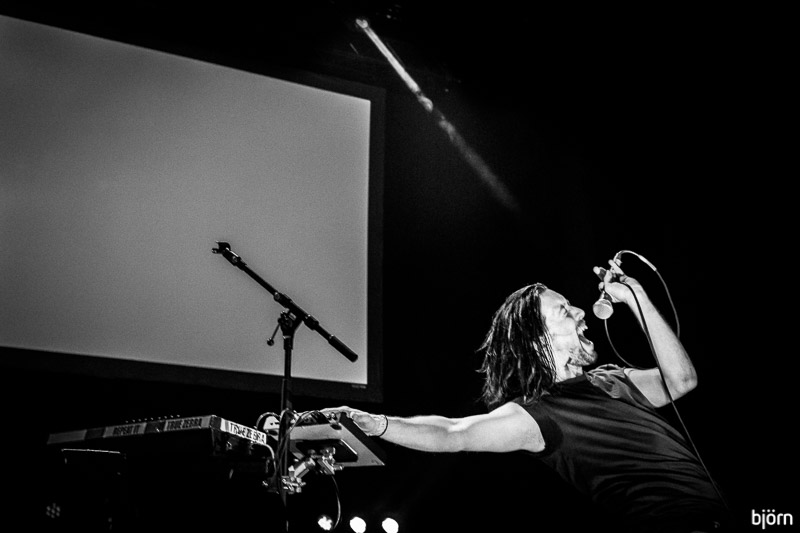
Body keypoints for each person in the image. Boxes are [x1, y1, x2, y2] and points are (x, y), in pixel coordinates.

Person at [326, 259, 732, 532]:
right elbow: (453, 432)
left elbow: (681, 380)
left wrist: (637, 297)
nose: (581, 313)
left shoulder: (614, 378)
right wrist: (376, 423)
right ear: (538, 340)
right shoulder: (540, 414)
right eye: (564, 311)